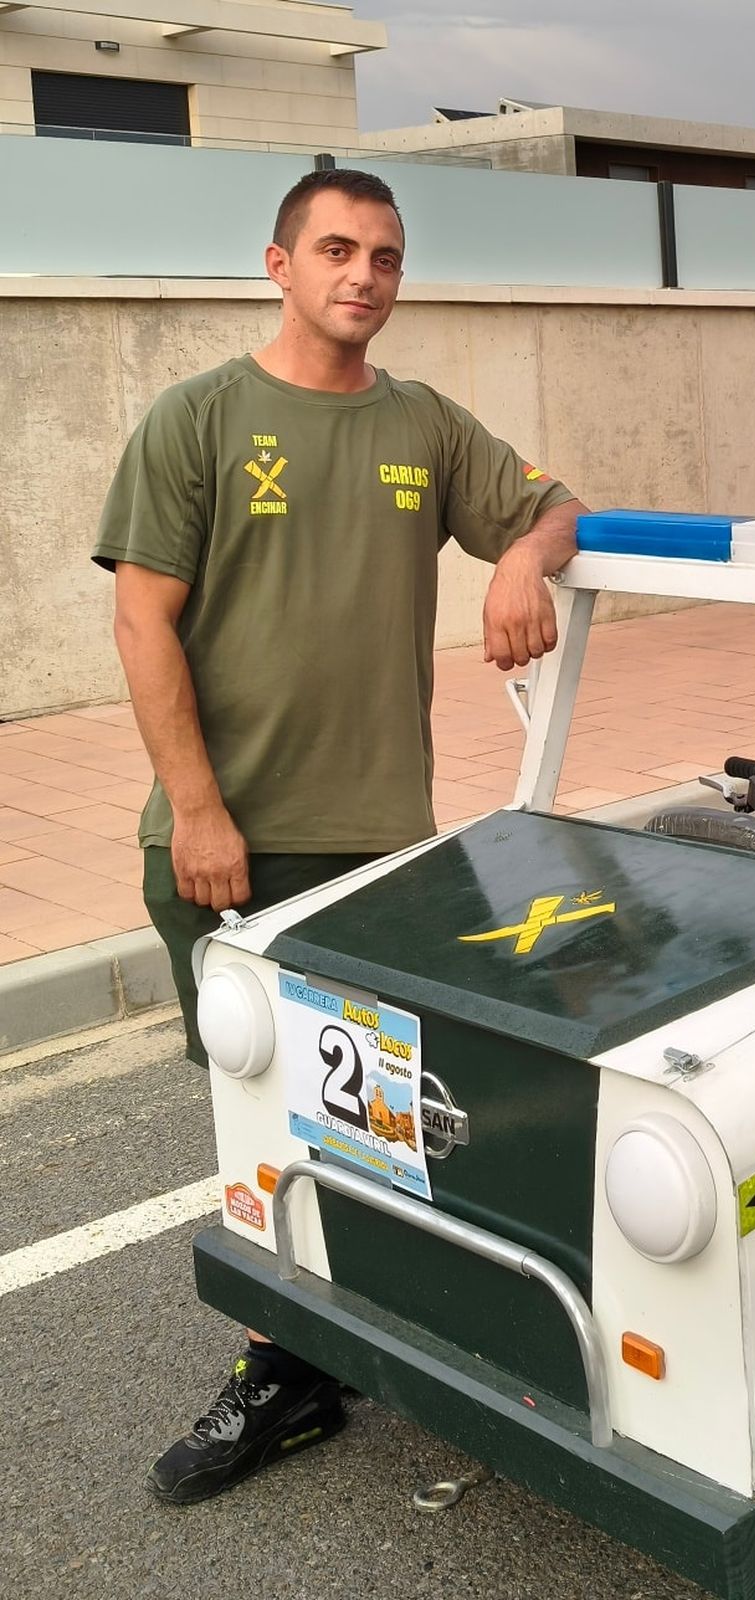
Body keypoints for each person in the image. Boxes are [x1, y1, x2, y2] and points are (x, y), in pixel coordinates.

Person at [91, 166, 589, 1505]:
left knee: (366, 1115)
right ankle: (284, 1369)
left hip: (379, 847)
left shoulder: (422, 424)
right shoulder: (198, 421)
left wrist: (522, 558)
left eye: (385, 255)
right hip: (229, 841)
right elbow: (140, 621)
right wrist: (199, 808)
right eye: (335, 250)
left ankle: (345, 1335)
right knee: (257, 1109)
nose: (363, 274)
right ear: (280, 264)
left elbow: (553, 503)